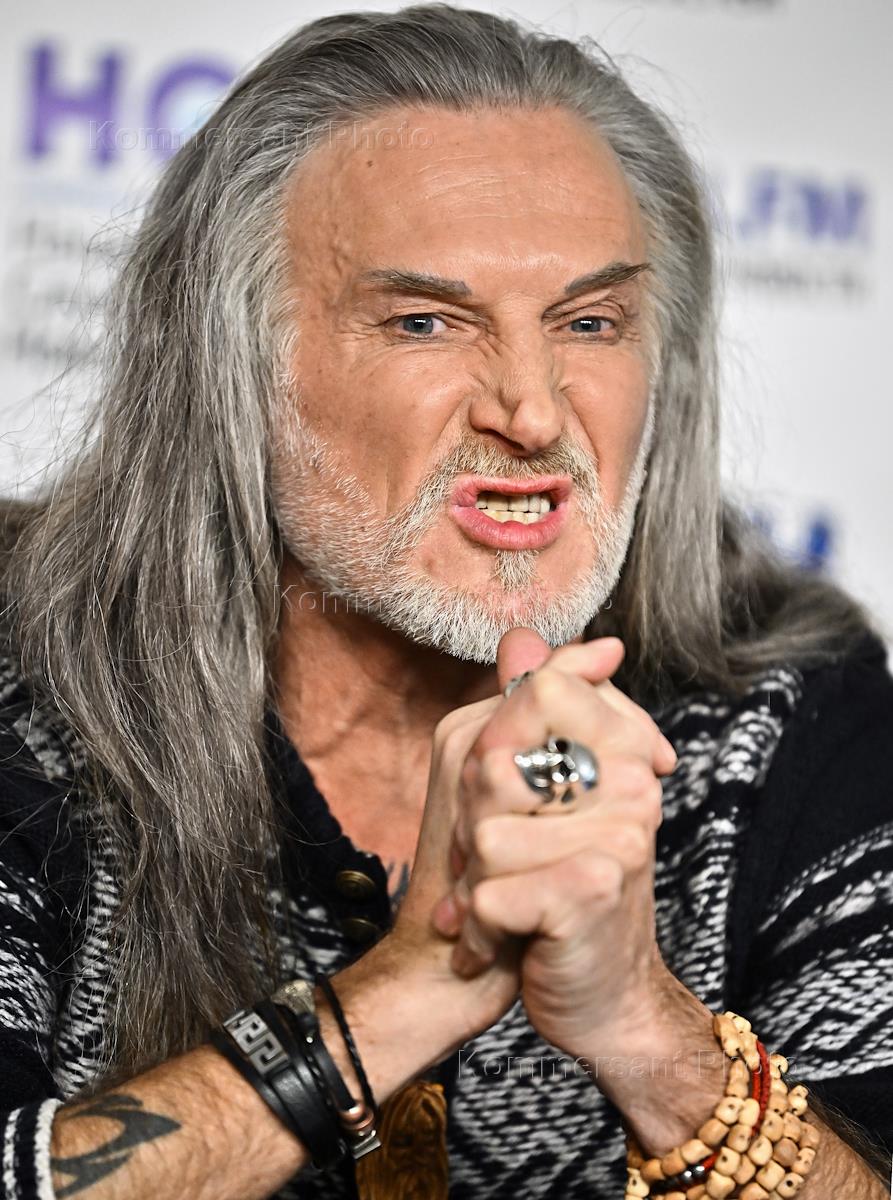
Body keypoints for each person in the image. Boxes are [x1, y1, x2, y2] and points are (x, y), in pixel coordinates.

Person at [0, 5, 890, 1199]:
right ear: (230, 364)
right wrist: (405, 993)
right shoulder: (22, 690)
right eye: (424, 321)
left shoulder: (787, 700)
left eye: (587, 322)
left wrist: (644, 1030)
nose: (530, 410)